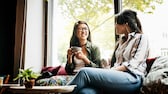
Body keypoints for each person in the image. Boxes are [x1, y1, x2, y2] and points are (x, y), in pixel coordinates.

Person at [66, 9, 149, 94]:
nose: (115, 26)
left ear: (125, 24)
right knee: (85, 92)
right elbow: (117, 64)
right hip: (119, 77)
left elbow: (133, 64)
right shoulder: (122, 41)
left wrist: (110, 71)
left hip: (133, 78)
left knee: (84, 72)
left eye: (117, 23)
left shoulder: (141, 38)